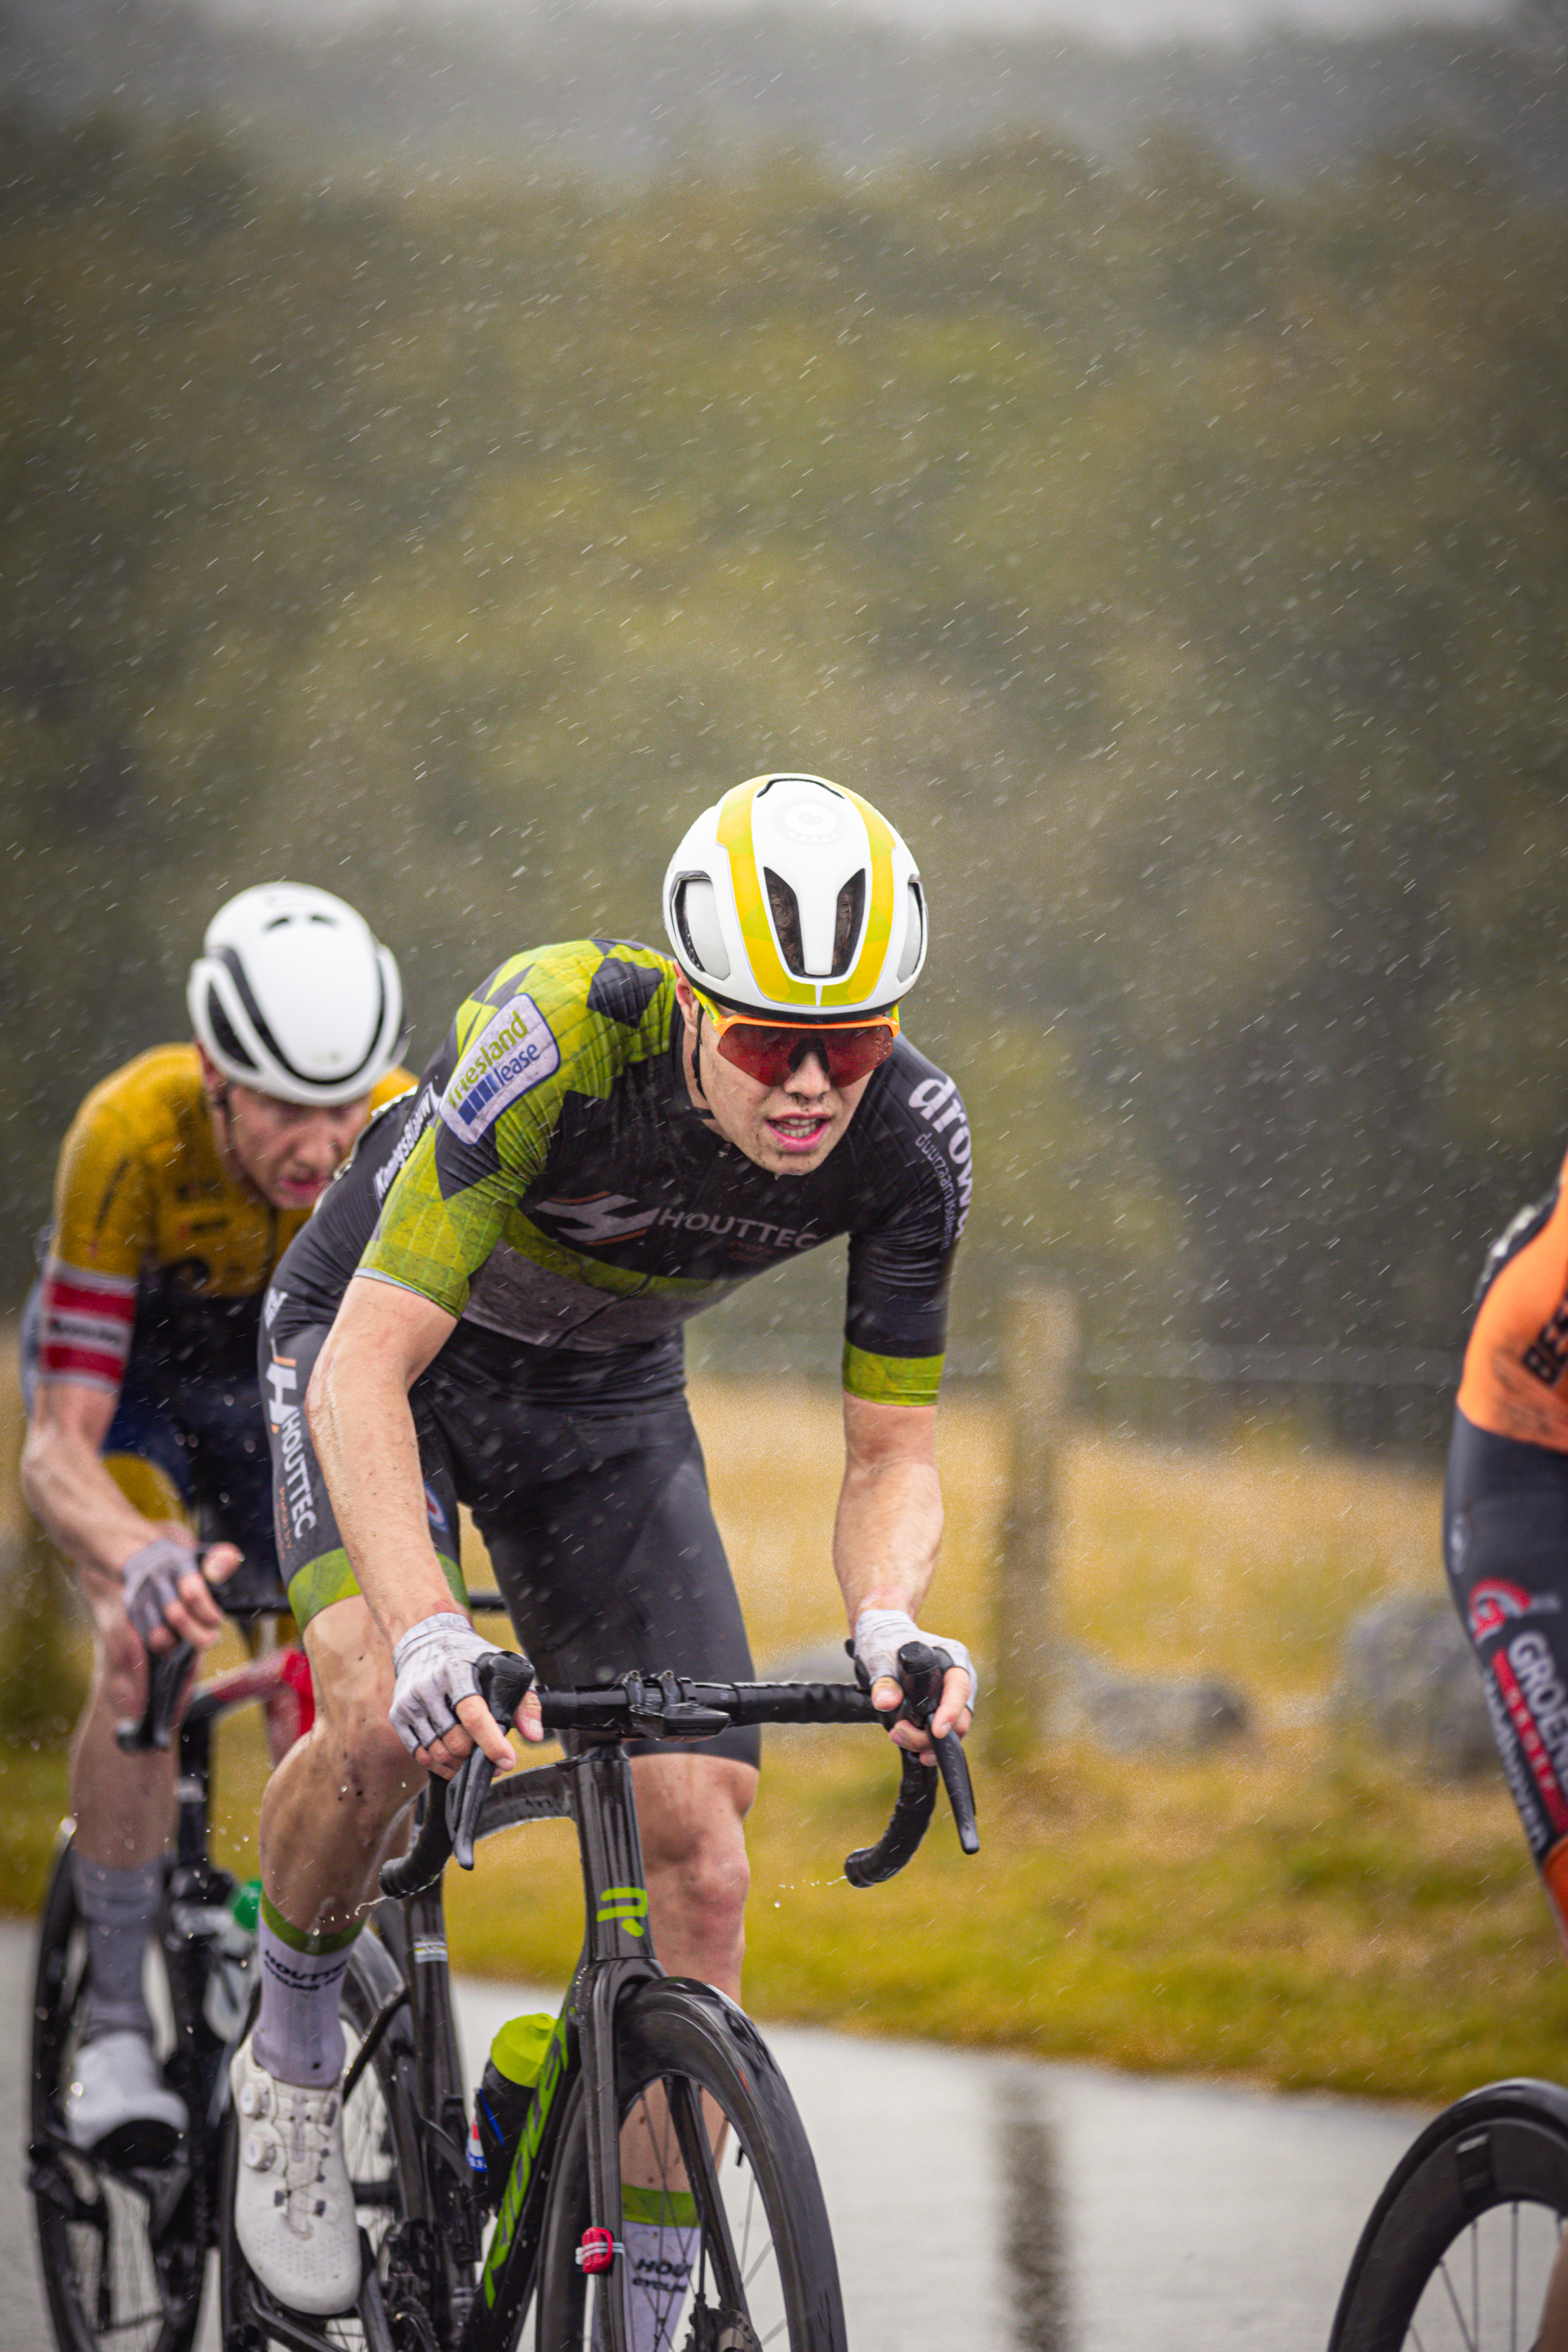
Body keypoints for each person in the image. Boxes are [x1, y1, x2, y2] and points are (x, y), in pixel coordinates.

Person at [234, 771, 978, 2329]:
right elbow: (365, 1372)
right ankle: (293, 2046)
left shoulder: (908, 1134)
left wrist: (890, 1618)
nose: (812, 1087)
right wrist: (431, 1622)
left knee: (702, 1841)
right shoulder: (559, 1031)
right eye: (772, 1041)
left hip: (604, 1405)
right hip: (384, 1351)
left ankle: (642, 2300)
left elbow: (893, 1453)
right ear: (695, 998)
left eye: (851, 1043)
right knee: (376, 1706)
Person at [20, 883, 409, 2164]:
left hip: (280, 1384)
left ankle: (279, 1933)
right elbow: (57, 1448)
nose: (322, 1143)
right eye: (287, 1107)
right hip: (136, 1391)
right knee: (149, 1641)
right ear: (213, 1078)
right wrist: (140, 1553)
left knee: (346, 1671)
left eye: (344, 1104)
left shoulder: (404, 1133)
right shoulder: (128, 1133)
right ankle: (117, 2027)